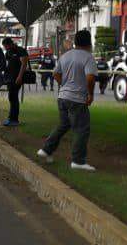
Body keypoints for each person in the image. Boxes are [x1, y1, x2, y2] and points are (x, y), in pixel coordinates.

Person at [37, 29, 98, 171]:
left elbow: (55, 73)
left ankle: (46, 150)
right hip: (77, 99)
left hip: (62, 97)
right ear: (89, 42)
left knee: (64, 125)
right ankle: (78, 161)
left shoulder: (66, 55)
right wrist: (90, 94)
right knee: (82, 129)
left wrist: (64, 84)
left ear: (75, 41)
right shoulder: (88, 57)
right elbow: (90, 78)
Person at [1, 37, 30, 126]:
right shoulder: (8, 52)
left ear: (10, 44)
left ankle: (14, 119)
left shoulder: (20, 50)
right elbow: (7, 64)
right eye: (4, 47)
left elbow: (24, 64)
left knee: (13, 97)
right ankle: (11, 118)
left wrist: (20, 76)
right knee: (11, 97)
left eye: (6, 46)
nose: (6, 48)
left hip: (17, 78)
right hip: (10, 78)